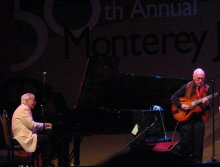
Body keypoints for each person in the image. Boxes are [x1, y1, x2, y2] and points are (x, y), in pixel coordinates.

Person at [170, 68, 211, 163]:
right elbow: (173, 97)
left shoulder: (207, 88)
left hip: (199, 120)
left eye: (202, 78)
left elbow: (209, 107)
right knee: (186, 145)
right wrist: (181, 105)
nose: (200, 81)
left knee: (198, 145)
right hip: (186, 120)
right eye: (198, 78)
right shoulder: (187, 86)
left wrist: (207, 104)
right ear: (193, 77)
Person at [12, 93, 59, 167]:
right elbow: (31, 125)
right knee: (47, 139)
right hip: (23, 137)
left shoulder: (21, 108)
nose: (35, 103)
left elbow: (30, 124)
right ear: (27, 100)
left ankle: (43, 162)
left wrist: (43, 126)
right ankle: (46, 164)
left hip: (21, 136)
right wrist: (44, 125)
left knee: (44, 139)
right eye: (33, 100)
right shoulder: (24, 108)